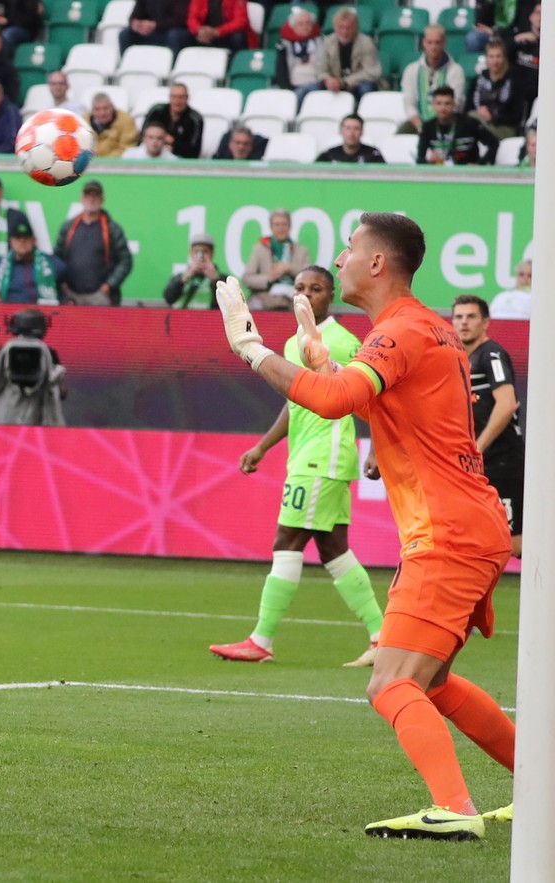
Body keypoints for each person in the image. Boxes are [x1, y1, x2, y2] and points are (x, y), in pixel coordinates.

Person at [215, 212, 516, 840]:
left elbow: (331, 404)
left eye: (350, 249)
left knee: (390, 682)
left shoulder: (401, 330)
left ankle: (455, 812)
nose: (341, 258)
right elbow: (389, 405)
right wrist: (324, 366)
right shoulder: (431, 328)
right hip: (469, 522)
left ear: (377, 263)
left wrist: (250, 347)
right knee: (430, 683)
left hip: (446, 533)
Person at [209, 265, 383, 666]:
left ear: (332, 295)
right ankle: (381, 635)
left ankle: (262, 639)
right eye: (300, 287)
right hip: (308, 455)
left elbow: (371, 395)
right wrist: (263, 447)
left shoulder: (341, 342)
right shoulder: (292, 343)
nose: (306, 294)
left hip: (324, 456)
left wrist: (375, 446)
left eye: (316, 288)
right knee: (334, 549)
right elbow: (296, 402)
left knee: (286, 542)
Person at [452, 295, 525, 558]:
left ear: (485, 323)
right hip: (476, 464)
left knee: (513, 543)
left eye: (471, 317)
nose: (464, 323)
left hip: (502, 461)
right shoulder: (456, 359)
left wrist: (476, 449)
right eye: (459, 317)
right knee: (475, 537)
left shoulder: (491, 354)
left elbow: (506, 404)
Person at [0, 308, 65, 426]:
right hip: (35, 417)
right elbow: (61, 392)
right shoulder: (48, 352)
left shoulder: (5, 349)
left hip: (4, 416)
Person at [54, 180, 131, 306]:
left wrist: (108, 286)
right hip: (70, 296)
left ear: (102, 200)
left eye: (95, 195)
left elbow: (126, 261)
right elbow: (56, 258)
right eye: (88, 195)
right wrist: (62, 284)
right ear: (82, 198)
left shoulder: (112, 229)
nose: (91, 199)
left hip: (100, 298)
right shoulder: (68, 227)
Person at [0, 212, 61, 304]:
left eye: (26, 238)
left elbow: (69, 276)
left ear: (34, 240)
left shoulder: (50, 262)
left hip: (43, 315)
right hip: (10, 316)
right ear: (11, 242)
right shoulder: (0, 264)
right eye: (18, 238)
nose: (22, 242)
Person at [399, 25, 466, 134]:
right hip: (418, 122)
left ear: (444, 43)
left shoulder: (455, 70)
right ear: (424, 43)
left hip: (447, 122)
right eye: (430, 42)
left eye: (437, 42)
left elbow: (455, 104)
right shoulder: (411, 70)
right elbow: (409, 103)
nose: (433, 47)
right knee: (400, 136)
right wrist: (420, 126)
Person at [241, 208, 310, 311]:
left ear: (289, 226)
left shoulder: (301, 250)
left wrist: (289, 268)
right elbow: (247, 279)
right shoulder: (260, 248)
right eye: (277, 224)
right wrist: (269, 278)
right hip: (265, 298)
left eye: (284, 224)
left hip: (292, 299)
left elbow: (309, 277)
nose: (280, 228)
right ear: (271, 227)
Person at [468, 38, 533, 140]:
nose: (495, 61)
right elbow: (467, 109)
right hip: (478, 124)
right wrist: (480, 112)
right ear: (486, 58)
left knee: (473, 117)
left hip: (504, 128)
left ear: (504, 57)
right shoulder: (477, 80)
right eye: (491, 57)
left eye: (498, 56)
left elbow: (517, 116)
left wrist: (492, 117)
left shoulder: (514, 81)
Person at [418, 85, 500, 165]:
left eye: (447, 103)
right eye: (439, 103)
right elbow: (420, 159)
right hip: (441, 173)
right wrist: (430, 162)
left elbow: (494, 143)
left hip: (469, 174)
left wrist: (480, 165)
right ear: (433, 105)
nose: (443, 108)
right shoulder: (427, 127)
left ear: (454, 105)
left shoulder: (470, 123)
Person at [314, 8, 381, 98]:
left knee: (366, 88)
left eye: (348, 28)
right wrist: (328, 80)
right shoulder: (327, 42)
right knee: (309, 89)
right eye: (340, 27)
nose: (344, 32)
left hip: (357, 83)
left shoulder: (366, 42)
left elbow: (372, 72)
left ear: (355, 28)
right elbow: (320, 69)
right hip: (334, 83)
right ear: (335, 27)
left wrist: (344, 82)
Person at [141, 82, 202, 160]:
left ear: (187, 98)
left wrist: (172, 142)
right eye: (174, 97)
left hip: (181, 162)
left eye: (181, 97)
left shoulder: (195, 119)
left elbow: (194, 152)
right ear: (169, 97)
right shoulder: (156, 112)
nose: (177, 101)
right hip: (150, 156)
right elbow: (143, 136)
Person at [163, 231, 222, 308]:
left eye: (205, 252)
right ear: (190, 253)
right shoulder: (180, 278)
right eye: (197, 252)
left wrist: (215, 280)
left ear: (212, 253)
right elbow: (169, 298)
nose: (201, 256)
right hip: (181, 319)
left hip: (208, 319)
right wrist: (185, 277)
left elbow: (225, 304)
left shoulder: (222, 280)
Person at [175, 0, 253, 54]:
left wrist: (217, 32)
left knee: (238, 37)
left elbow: (241, 22)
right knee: (177, 35)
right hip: (203, 35)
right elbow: (192, 18)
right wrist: (199, 30)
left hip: (225, 35)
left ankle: (234, 69)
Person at [274, 7, 321, 95]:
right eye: (301, 24)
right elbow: (281, 71)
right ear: (293, 26)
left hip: (316, 84)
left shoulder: (321, 41)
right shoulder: (283, 45)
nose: (305, 27)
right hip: (292, 85)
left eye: (308, 23)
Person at [317, 114, 385, 162]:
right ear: (341, 131)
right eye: (348, 128)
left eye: (356, 129)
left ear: (362, 132)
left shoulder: (373, 155)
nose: (351, 133)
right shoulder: (329, 155)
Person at [87, 93, 138, 159]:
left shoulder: (126, 120)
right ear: (92, 111)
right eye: (97, 109)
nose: (102, 113)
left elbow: (128, 148)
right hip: (89, 163)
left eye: (105, 108)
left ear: (112, 107)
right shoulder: (85, 121)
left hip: (116, 164)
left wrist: (105, 160)